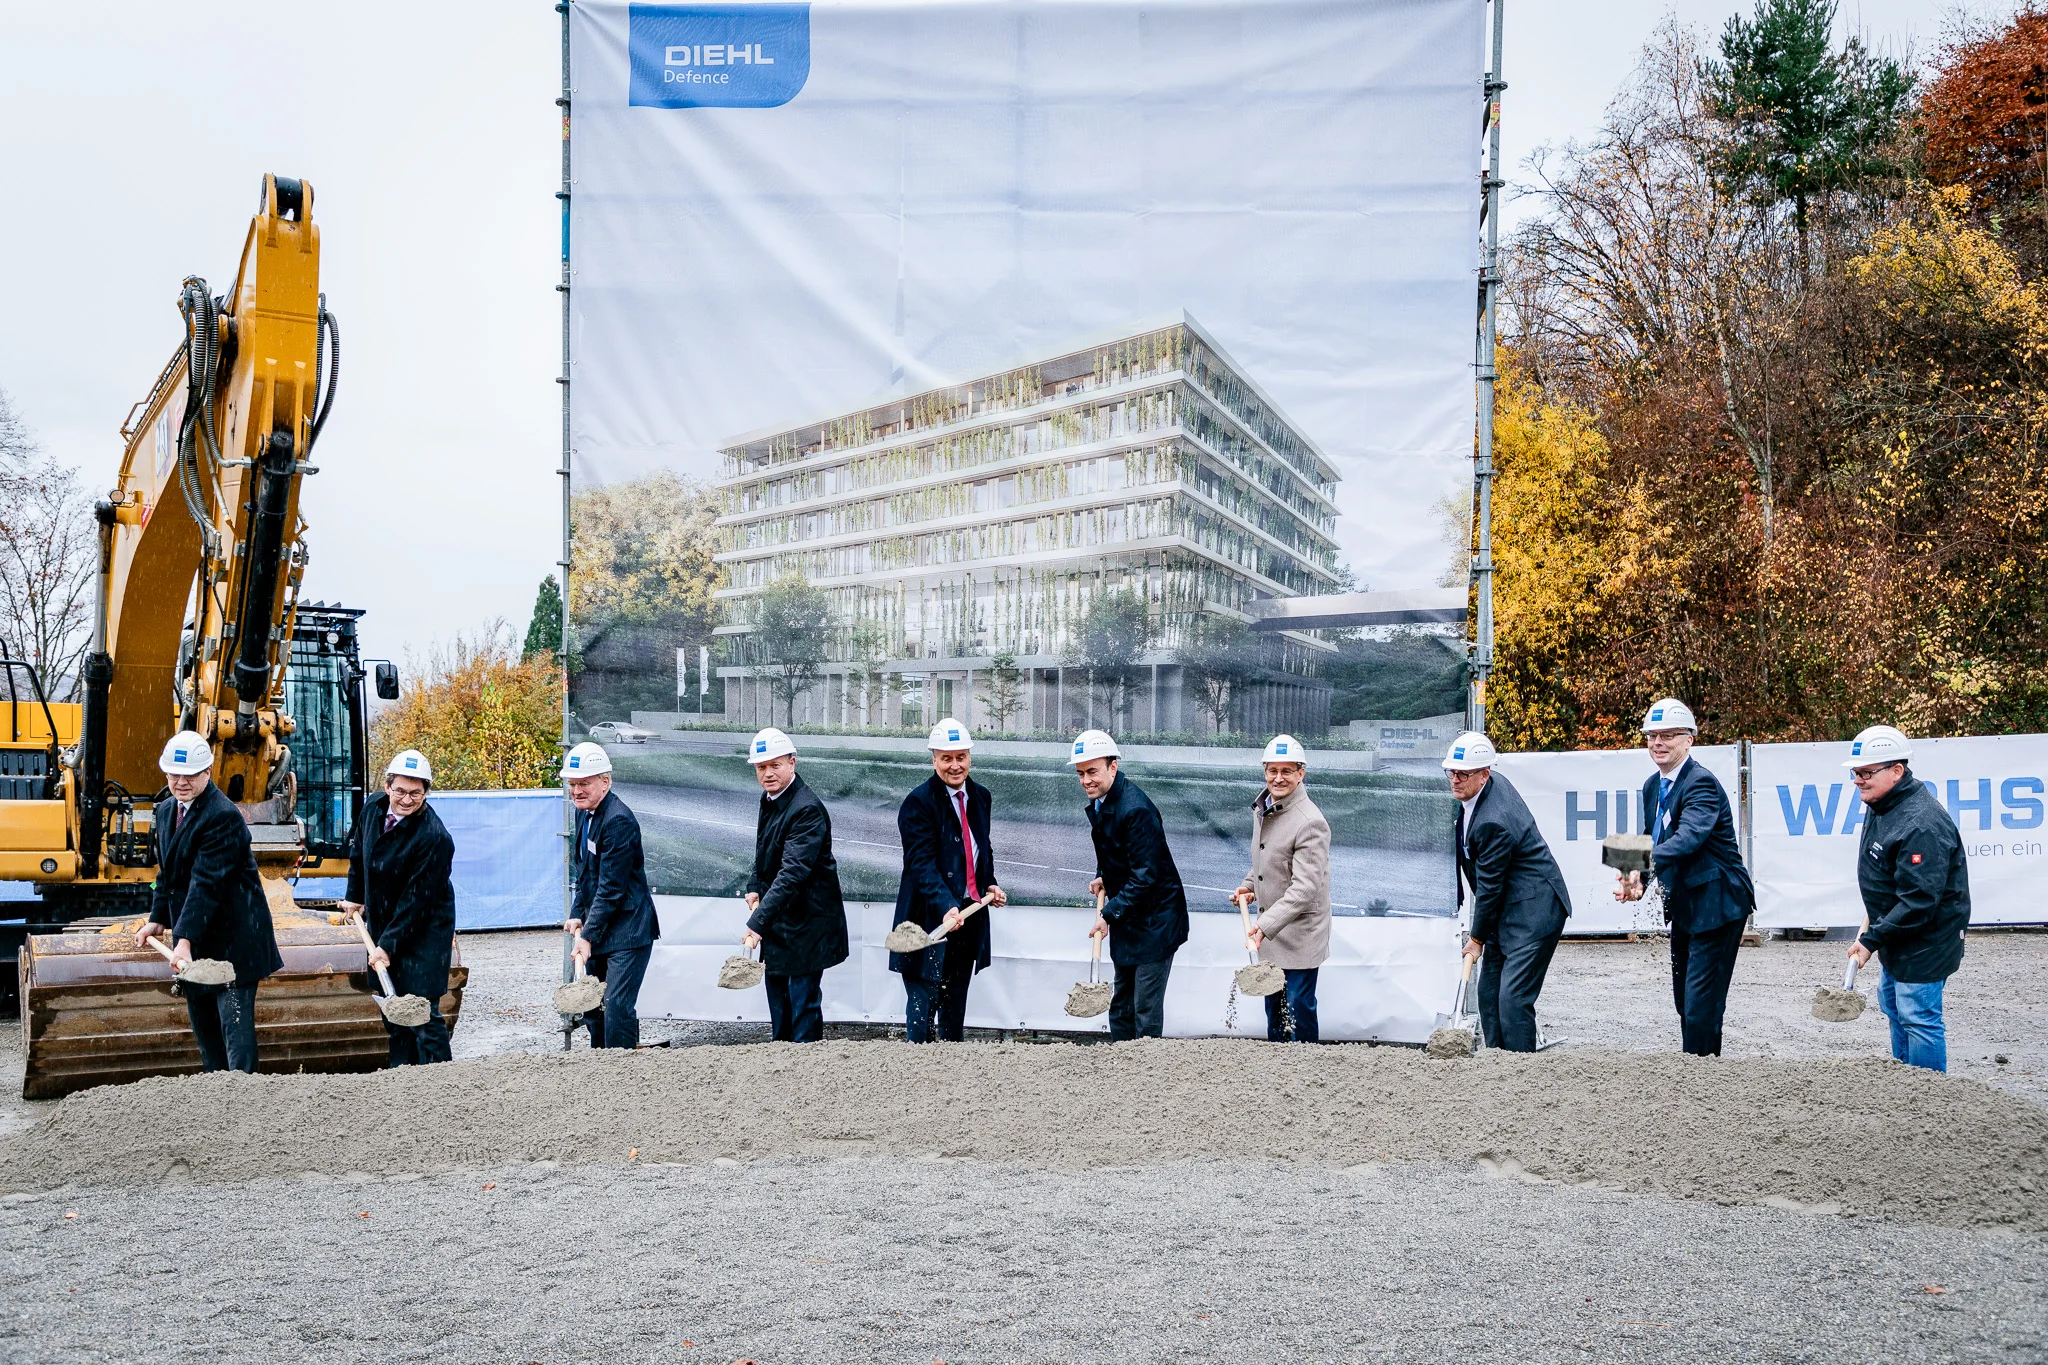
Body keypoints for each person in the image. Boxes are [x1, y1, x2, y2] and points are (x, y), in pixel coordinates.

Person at [132, 730, 283, 1074]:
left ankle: (243, 1098)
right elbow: (167, 873)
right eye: (174, 773)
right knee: (204, 1027)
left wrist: (183, 942)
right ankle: (215, 1100)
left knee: (234, 1028)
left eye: (190, 775)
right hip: (198, 938)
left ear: (207, 773)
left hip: (234, 942)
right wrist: (158, 917)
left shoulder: (222, 816)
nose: (180, 781)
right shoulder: (168, 810)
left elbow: (207, 884)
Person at [1615, 697, 1755, 1057]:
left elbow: (1687, 840)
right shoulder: (1652, 786)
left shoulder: (1701, 784)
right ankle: (1696, 1070)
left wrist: (1628, 857)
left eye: (1668, 736)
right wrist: (1637, 879)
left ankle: (1701, 1078)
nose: (1658, 743)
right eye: (1651, 736)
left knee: (1700, 1004)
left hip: (1719, 904)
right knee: (1684, 999)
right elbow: (1655, 840)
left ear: (1689, 740)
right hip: (1687, 905)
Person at [1843, 725, 1969, 1072]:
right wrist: (1873, 927)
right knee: (1895, 1007)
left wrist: (1870, 942)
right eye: (1856, 773)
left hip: (1926, 938)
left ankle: (1929, 1100)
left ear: (1896, 771)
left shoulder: (1923, 823)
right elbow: (1888, 878)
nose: (1858, 780)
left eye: (1867, 773)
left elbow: (1918, 902)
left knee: (1918, 1016)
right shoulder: (1882, 803)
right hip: (1897, 932)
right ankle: (1904, 1088)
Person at [1443, 730, 1571, 1052]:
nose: (1455, 779)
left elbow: (1489, 890)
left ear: (1484, 774)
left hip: (1535, 911)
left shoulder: (1493, 822)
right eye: (1451, 771)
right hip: (1506, 908)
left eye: (1463, 774)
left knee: (1512, 1000)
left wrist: (1475, 940)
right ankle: (1496, 1065)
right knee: (1488, 996)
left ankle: (1520, 1073)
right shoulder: (1484, 785)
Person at [339, 748, 457, 1066]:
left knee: (421, 1011)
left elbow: (417, 903)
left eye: (416, 793)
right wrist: (355, 895)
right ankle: (402, 1078)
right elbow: (358, 854)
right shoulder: (374, 808)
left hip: (424, 931)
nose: (406, 800)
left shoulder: (434, 838)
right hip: (384, 918)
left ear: (426, 793)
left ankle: (444, 1082)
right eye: (400, 791)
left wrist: (387, 946)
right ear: (388, 785)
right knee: (393, 1011)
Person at [892, 718, 1007, 1042]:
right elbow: (920, 864)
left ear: (969, 757)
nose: (955, 766)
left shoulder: (980, 797)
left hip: (967, 922)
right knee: (922, 1012)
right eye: (946, 758)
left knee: (954, 1011)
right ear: (934, 759)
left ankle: (951, 1083)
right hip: (929, 923)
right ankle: (916, 1079)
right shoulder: (919, 803)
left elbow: (980, 849)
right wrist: (945, 906)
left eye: (960, 757)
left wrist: (989, 885)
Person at [1073, 729, 1188, 1041]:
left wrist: (1108, 915)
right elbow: (1116, 850)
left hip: (1156, 921)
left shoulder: (1135, 810)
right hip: (1131, 916)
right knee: (1122, 1002)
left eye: (1092, 771)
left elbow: (1145, 877)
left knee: (1144, 1008)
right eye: (1081, 773)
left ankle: (1146, 1077)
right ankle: (1120, 1066)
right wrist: (1105, 876)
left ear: (1113, 767)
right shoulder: (1105, 800)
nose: (1086, 781)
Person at [742, 727, 850, 1043]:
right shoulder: (772, 798)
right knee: (779, 1006)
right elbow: (766, 851)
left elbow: (792, 874)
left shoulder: (806, 809)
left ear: (792, 762)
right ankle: (782, 1068)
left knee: (802, 1007)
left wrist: (756, 923)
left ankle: (806, 1074)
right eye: (761, 767)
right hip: (780, 923)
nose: (768, 773)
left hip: (807, 926)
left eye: (775, 765)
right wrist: (753, 885)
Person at [1230, 735, 1331, 1042]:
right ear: (1264, 771)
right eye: (1272, 770)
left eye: (1287, 771)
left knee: (1297, 1011)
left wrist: (1264, 925)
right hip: (1272, 932)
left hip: (1300, 936)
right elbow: (1268, 859)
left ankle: (1306, 1072)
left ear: (1301, 773)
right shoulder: (1265, 808)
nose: (1278, 778)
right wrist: (1249, 886)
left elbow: (1305, 889)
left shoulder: (1309, 822)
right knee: (1275, 1012)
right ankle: (1277, 1074)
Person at [563, 740, 659, 1049]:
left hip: (629, 930)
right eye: (573, 784)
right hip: (602, 927)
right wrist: (577, 913)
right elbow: (586, 872)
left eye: (584, 783)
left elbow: (611, 888)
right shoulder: (584, 813)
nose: (576, 790)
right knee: (593, 1006)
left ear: (605, 782)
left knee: (616, 1007)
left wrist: (586, 936)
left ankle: (623, 1074)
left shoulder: (618, 820)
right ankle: (601, 1072)